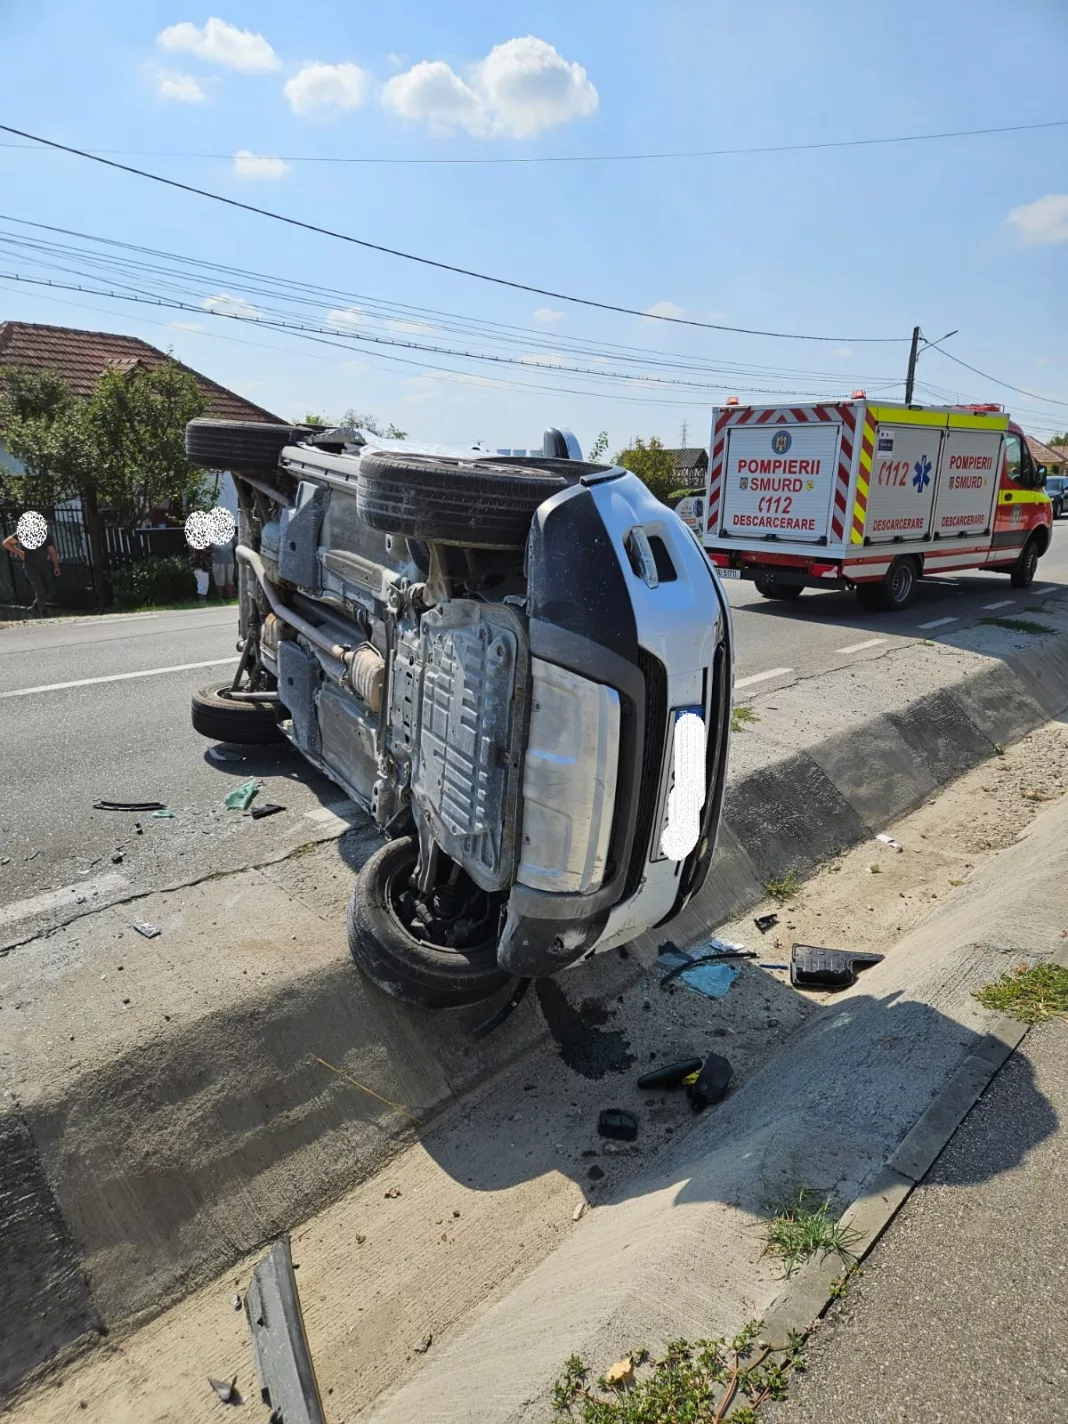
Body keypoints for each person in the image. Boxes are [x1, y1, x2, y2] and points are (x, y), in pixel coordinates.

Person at [3, 521, 61, 618]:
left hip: (43, 565)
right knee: (40, 590)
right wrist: (20, 553)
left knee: (48, 591)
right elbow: (6, 543)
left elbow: (51, 551)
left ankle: (34, 607)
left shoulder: (46, 535)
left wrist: (56, 565)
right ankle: (44, 614)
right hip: (30, 566)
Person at [212, 526, 237, 601]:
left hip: (229, 560)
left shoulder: (230, 533)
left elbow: (237, 542)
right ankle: (220, 598)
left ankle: (230, 597)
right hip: (218, 560)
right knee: (219, 580)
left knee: (230, 579)